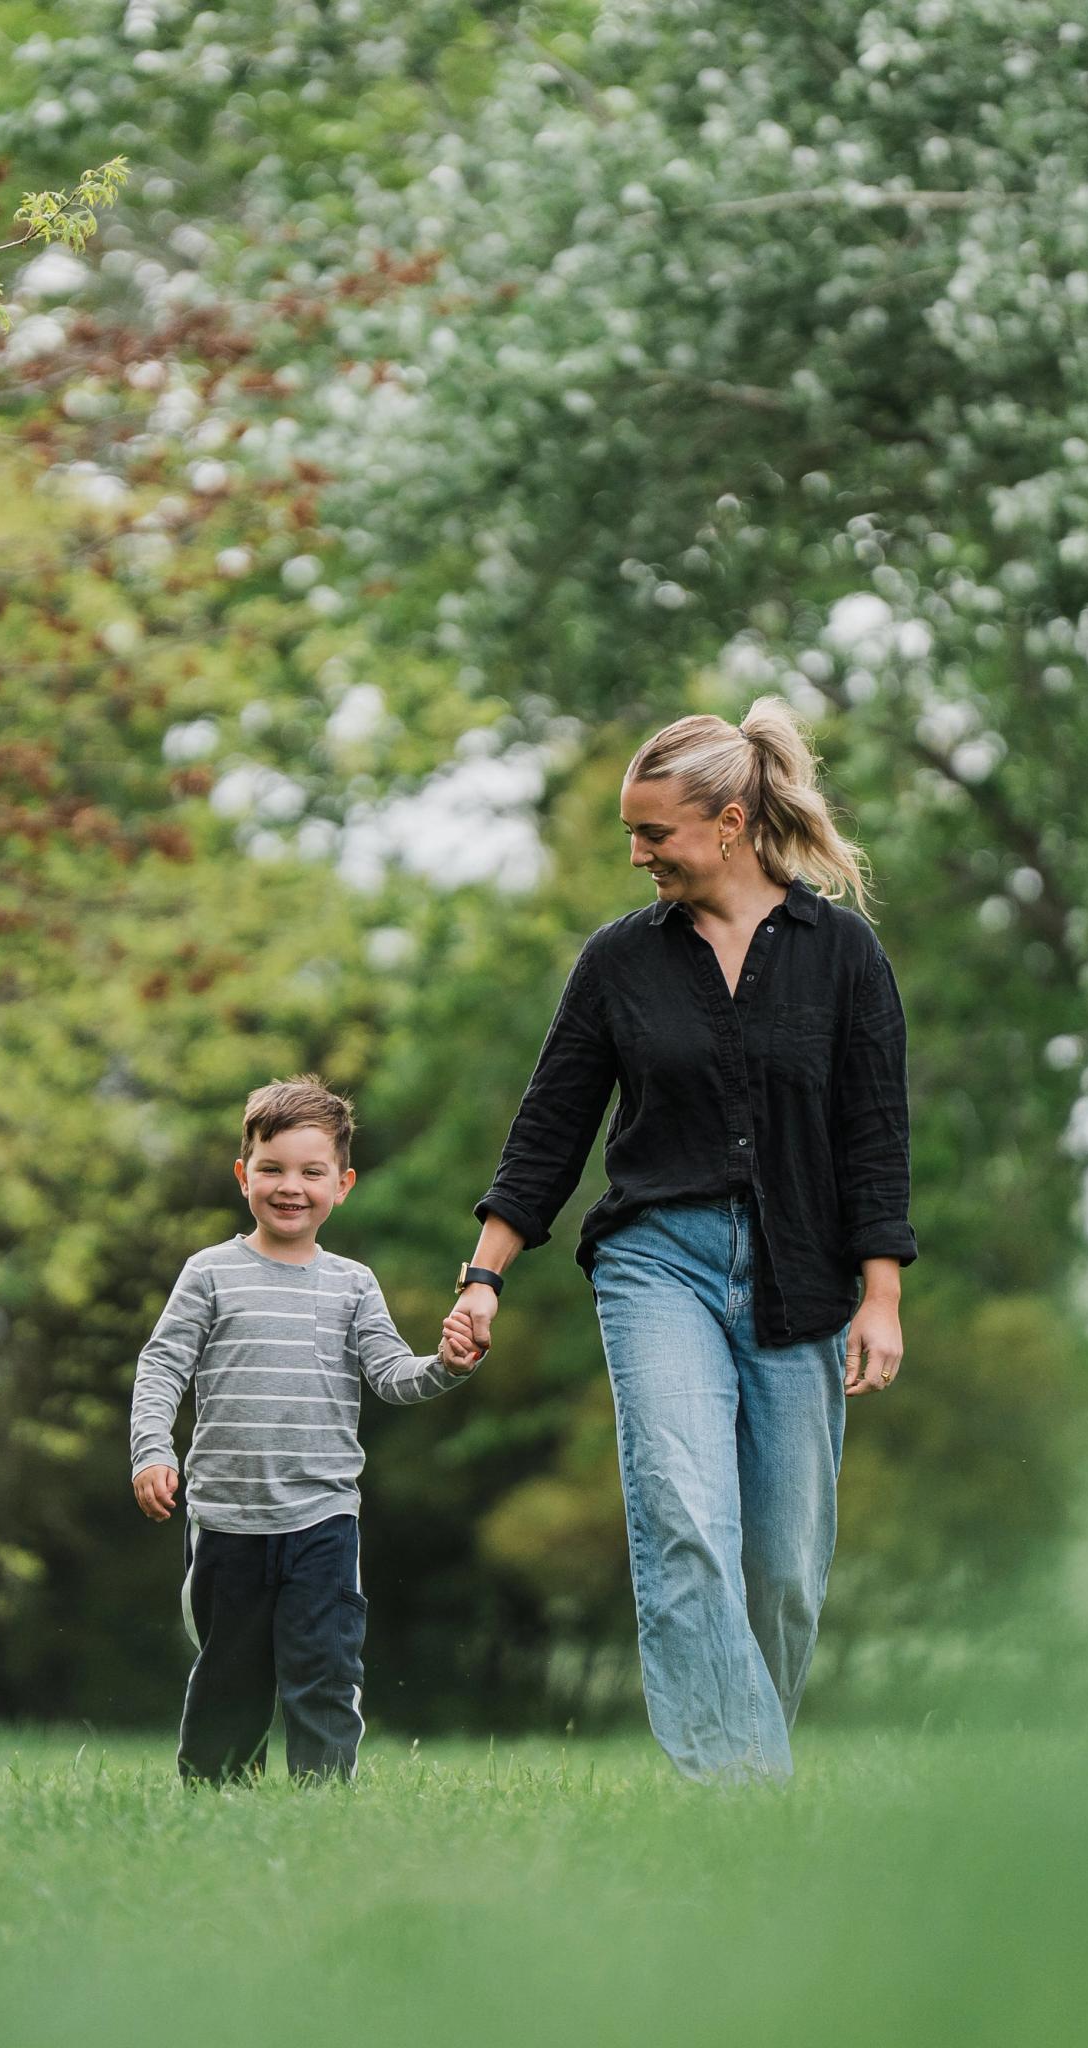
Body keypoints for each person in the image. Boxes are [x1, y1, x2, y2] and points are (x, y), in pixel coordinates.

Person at [446, 700, 912, 1782]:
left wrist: (881, 1293)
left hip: (803, 1275)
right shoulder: (619, 961)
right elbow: (550, 1129)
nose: (638, 853)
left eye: (654, 832)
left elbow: (875, 1135)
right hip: (658, 1261)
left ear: (733, 822)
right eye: (632, 834)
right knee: (685, 1524)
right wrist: (484, 1277)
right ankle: (745, 1791)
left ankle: (747, 1761)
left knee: (787, 1567)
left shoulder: (843, 954)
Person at [129, 1075, 482, 1784]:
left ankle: (322, 1801)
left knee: (323, 1664)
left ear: (342, 1184)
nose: (291, 1186)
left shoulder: (352, 1284)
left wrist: (447, 1365)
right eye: (273, 1169)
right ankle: (217, 1802)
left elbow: (389, 1374)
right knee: (231, 1674)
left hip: (322, 1517)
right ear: (243, 1175)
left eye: (311, 1172)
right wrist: (151, 1451)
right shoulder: (210, 1274)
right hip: (228, 1517)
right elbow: (162, 1365)